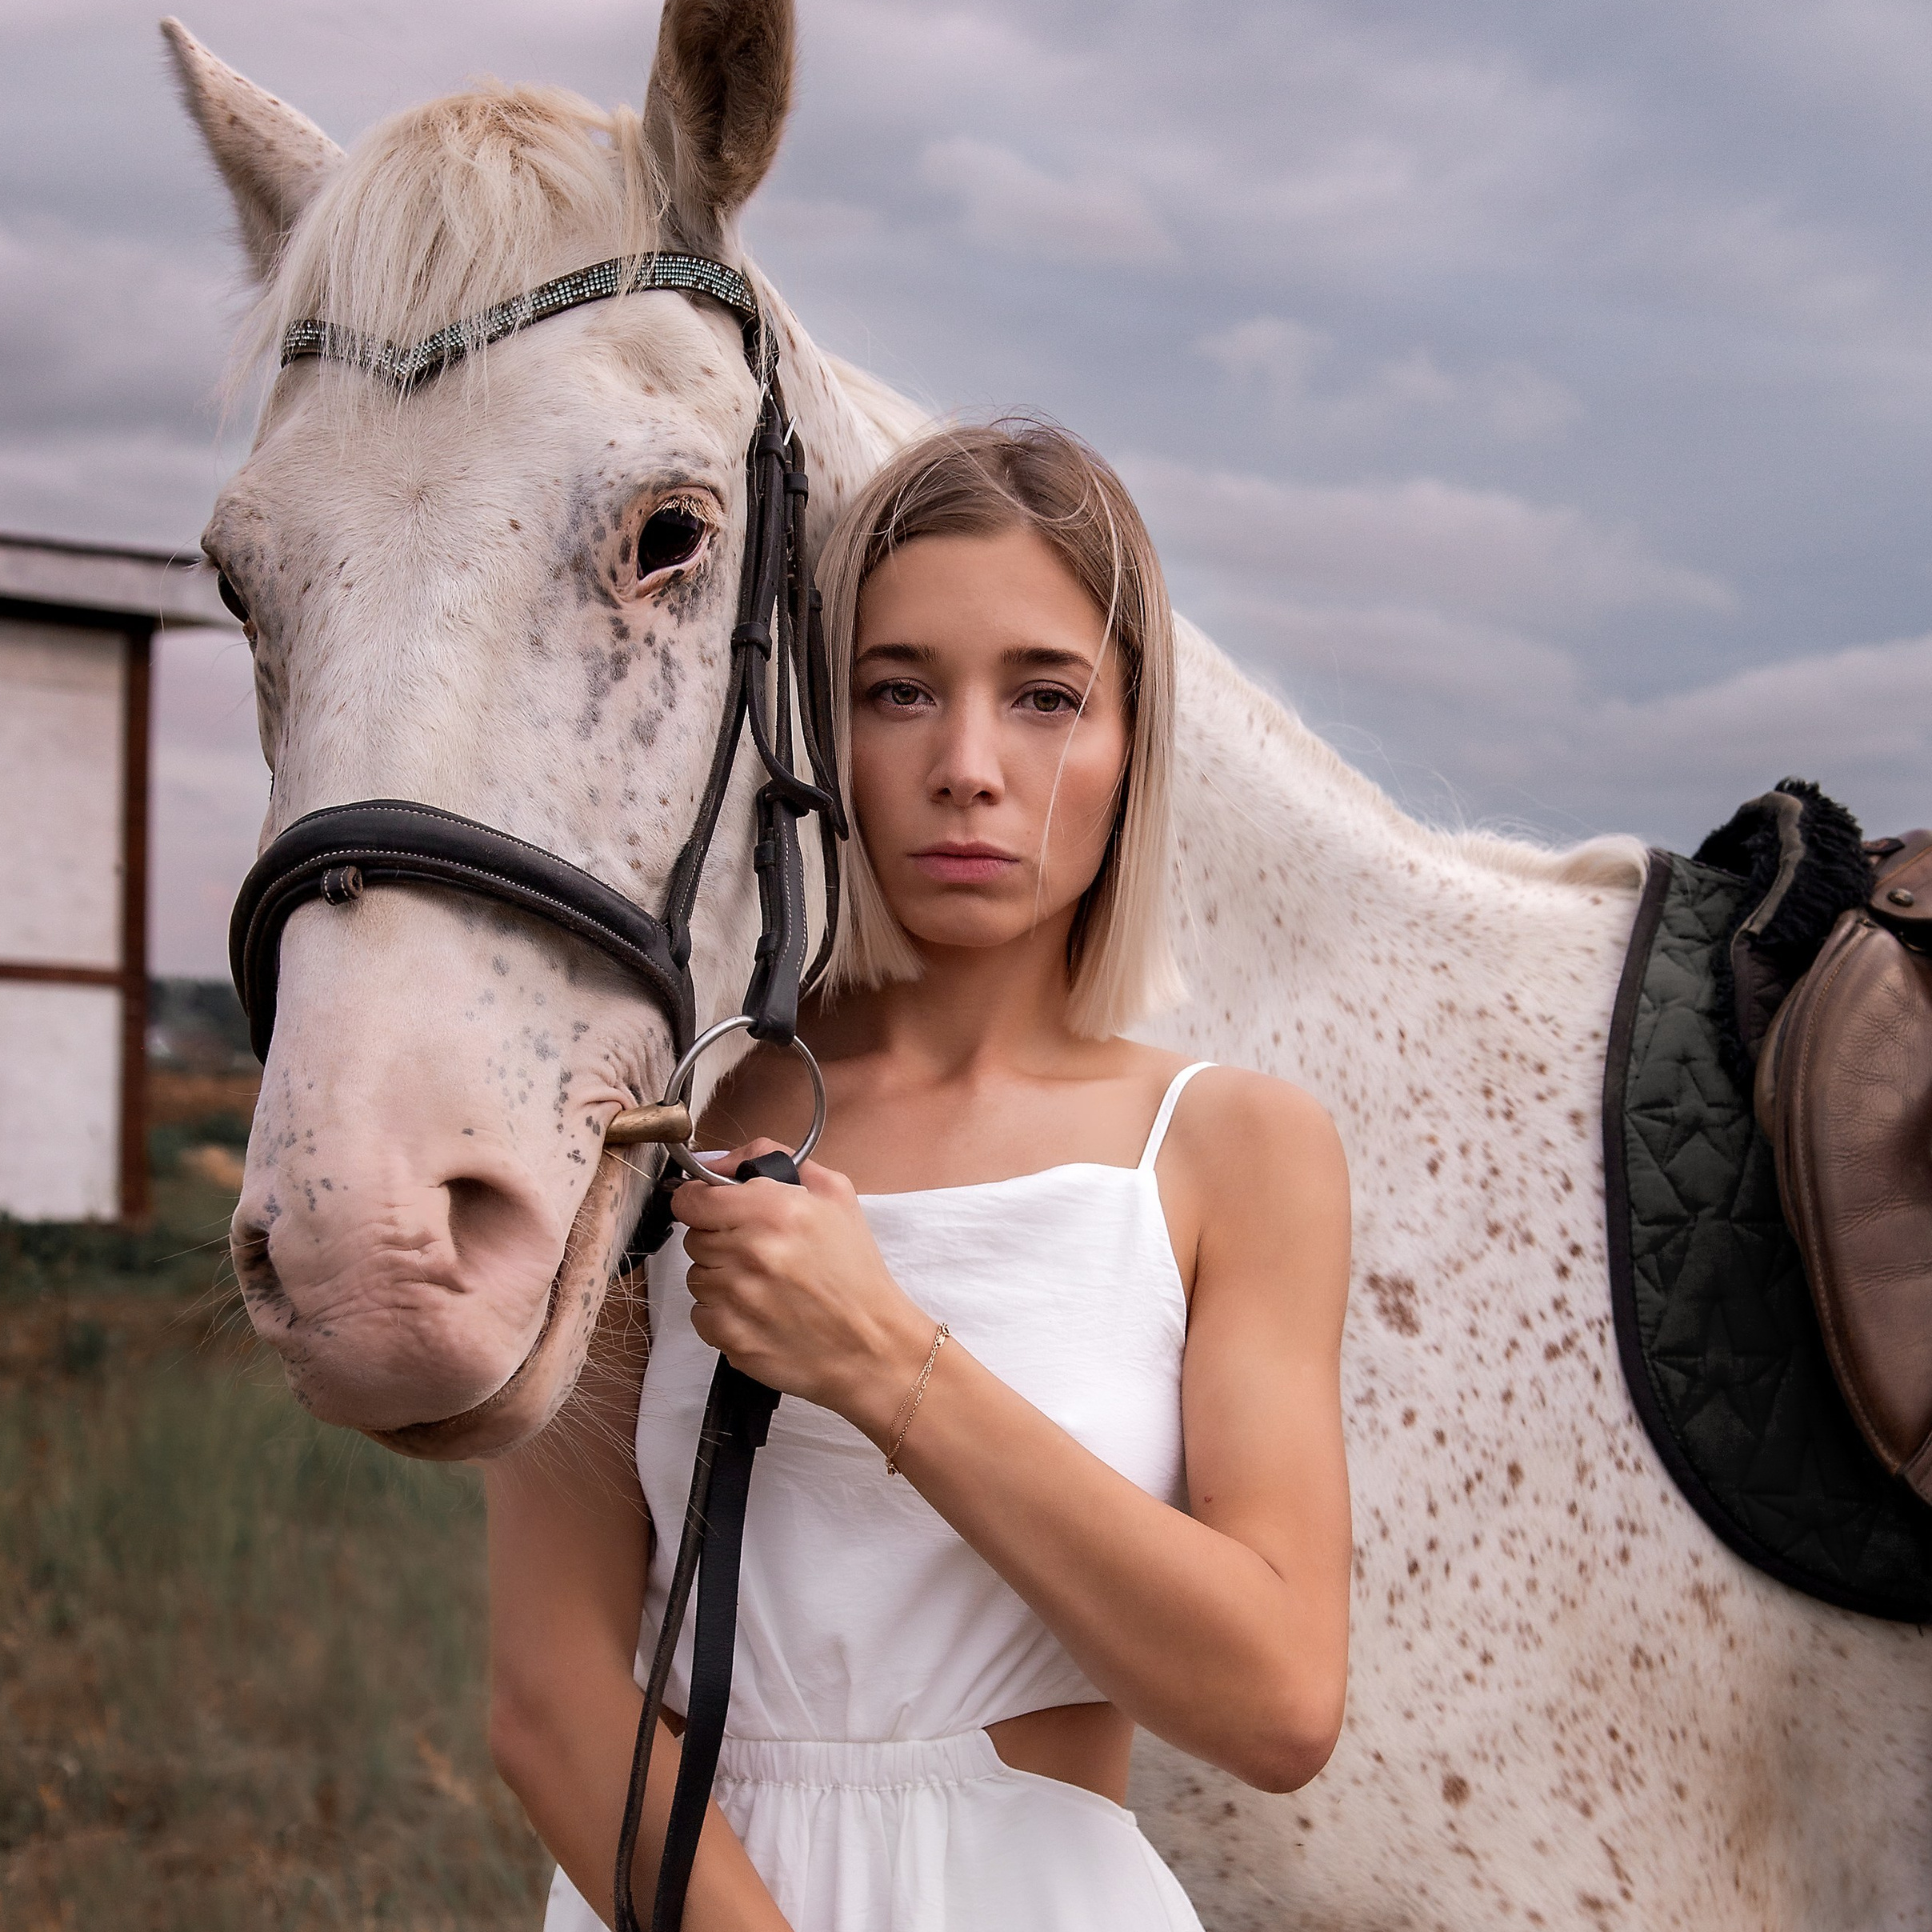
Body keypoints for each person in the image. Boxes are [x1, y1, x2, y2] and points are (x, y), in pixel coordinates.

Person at [487, 420, 1353, 1932]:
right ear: (822, 735)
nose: (968, 768)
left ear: (1132, 743)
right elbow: (550, 1699)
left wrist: (880, 1357)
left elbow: (1279, 1701)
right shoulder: (651, 1118)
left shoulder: (1233, 1151)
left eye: (1045, 697)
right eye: (899, 692)